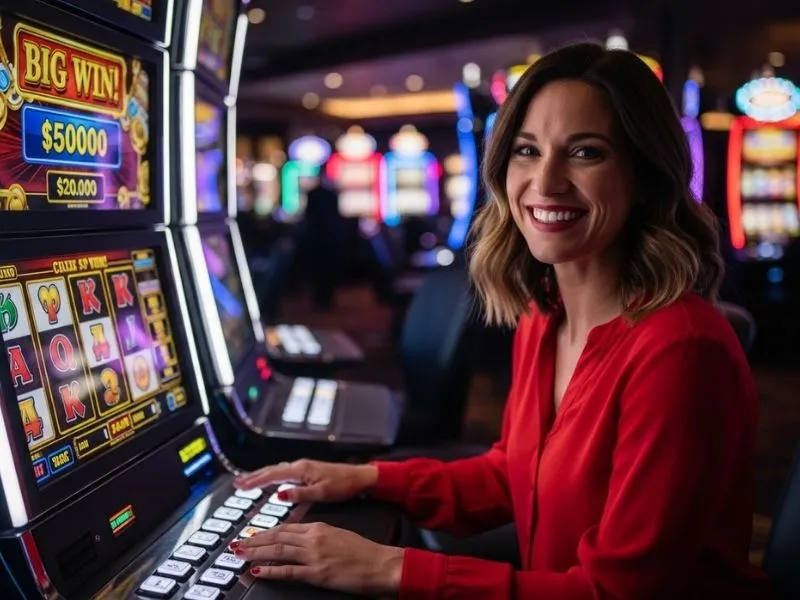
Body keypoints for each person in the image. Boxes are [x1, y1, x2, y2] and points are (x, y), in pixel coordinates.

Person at [231, 42, 772, 599]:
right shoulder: (545, 316)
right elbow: (512, 474)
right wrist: (367, 477)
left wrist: (388, 568)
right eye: (526, 150)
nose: (546, 181)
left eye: (585, 153)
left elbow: (615, 593)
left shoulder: (680, 349)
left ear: (644, 177)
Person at [304, 169, 344, 309]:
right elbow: (337, 217)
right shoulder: (332, 195)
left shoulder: (312, 194)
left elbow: (307, 217)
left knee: (318, 271)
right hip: (329, 237)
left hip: (316, 237)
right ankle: (327, 300)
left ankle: (319, 300)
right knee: (327, 271)